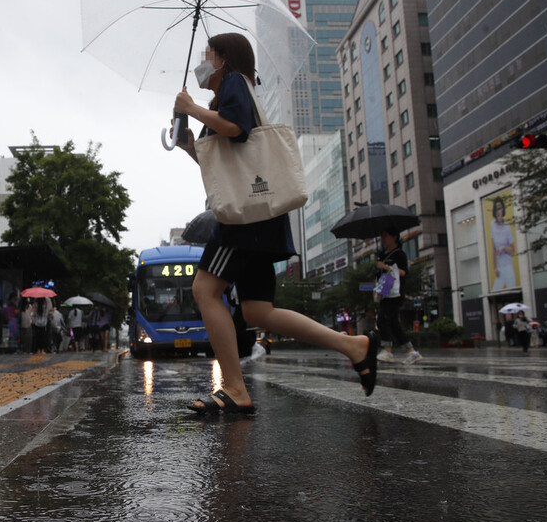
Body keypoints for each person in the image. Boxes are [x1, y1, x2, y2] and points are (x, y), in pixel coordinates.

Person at [173, 32, 378, 413]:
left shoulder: (235, 83)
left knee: (205, 290)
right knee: (256, 311)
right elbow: (221, 166)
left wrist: (191, 106)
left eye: (208, 55)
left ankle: (234, 389)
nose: (203, 63)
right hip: (260, 217)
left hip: (243, 221)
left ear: (222, 59)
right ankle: (353, 345)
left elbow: (237, 128)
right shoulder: (228, 96)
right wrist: (189, 145)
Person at [375, 228, 422, 364]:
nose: (383, 238)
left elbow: (403, 272)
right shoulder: (382, 254)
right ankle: (412, 352)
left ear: (394, 237)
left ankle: (388, 350)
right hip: (385, 291)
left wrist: (385, 267)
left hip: (396, 292)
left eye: (385, 235)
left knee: (382, 319)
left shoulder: (399, 254)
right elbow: (380, 275)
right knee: (394, 323)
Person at [490, 196, 517, 291]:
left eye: (500, 208)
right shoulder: (492, 224)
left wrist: (503, 248)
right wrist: (494, 268)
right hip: (500, 269)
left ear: (503, 209)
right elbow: (493, 248)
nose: (498, 211)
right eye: (496, 208)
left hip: (508, 266)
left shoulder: (507, 227)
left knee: (513, 291)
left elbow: (513, 251)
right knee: (495, 292)